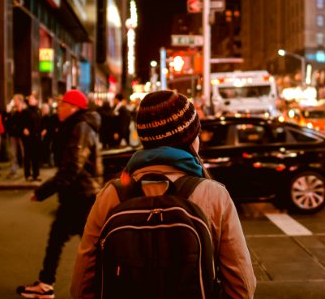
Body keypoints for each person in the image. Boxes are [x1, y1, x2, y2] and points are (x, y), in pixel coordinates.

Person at [70, 90, 257, 299]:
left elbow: (81, 285)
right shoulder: (213, 194)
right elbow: (242, 286)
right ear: (190, 139)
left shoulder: (112, 194)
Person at [17, 89, 103, 299]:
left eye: (63, 104)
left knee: (91, 246)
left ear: (73, 108)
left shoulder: (80, 127)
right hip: (78, 194)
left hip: (80, 195)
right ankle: (46, 283)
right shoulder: (75, 126)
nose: (59, 108)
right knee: (64, 240)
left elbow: (73, 166)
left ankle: (110, 284)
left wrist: (43, 191)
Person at [21, 93, 43, 181]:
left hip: (37, 136)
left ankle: (36, 174)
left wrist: (42, 129)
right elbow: (21, 123)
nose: (30, 100)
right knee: (28, 156)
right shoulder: (25, 111)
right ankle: (27, 175)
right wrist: (24, 129)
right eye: (30, 99)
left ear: (36, 101)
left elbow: (40, 122)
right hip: (28, 137)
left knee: (36, 156)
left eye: (32, 99)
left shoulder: (38, 110)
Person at [5, 94, 26, 178]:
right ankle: (13, 169)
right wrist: (8, 113)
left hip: (22, 134)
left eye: (15, 100)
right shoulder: (12, 111)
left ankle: (26, 170)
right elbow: (8, 122)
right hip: (13, 134)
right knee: (13, 153)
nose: (14, 102)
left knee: (24, 152)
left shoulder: (24, 110)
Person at [40, 103, 59, 167]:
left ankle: (49, 162)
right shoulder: (41, 117)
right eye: (44, 109)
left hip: (48, 136)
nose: (45, 110)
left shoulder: (49, 117)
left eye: (46, 109)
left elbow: (50, 126)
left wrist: (46, 129)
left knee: (49, 149)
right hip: (42, 136)